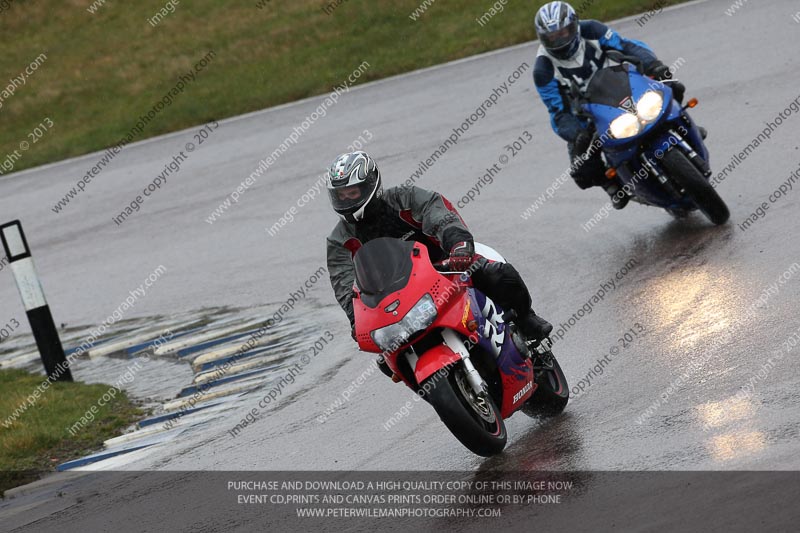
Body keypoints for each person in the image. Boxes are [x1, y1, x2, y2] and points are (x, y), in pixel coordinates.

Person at [325, 151, 552, 376]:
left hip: (446, 266)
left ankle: (526, 322)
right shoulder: (339, 240)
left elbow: (438, 213)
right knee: (386, 359)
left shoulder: (404, 198)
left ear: (370, 185)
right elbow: (343, 282)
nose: (346, 200)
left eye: (352, 193)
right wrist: (356, 317)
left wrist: (458, 243)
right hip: (395, 297)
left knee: (497, 274)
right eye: (340, 196)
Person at [532, 1, 688, 209]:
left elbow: (627, 46)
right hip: (587, 115)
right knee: (583, 170)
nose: (559, 40)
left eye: (563, 32)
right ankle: (611, 184)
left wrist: (654, 66)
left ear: (574, 26)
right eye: (552, 36)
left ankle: (681, 124)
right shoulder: (543, 69)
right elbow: (558, 112)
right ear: (543, 38)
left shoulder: (592, 30)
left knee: (672, 86)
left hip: (623, 87)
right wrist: (577, 133)